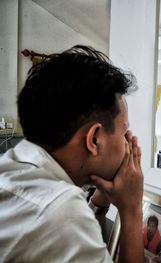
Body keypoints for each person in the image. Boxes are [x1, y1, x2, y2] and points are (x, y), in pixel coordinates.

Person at [0, 45, 144, 262]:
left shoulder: (13, 166)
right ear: (94, 139)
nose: (128, 143)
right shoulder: (61, 212)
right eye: (124, 132)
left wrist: (100, 201)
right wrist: (132, 209)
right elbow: (65, 221)